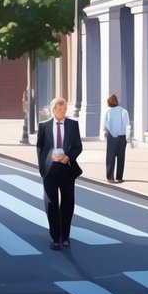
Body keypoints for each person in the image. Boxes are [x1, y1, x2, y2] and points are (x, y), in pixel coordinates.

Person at [36, 97, 82, 250]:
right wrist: (47, 160)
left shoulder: (73, 125)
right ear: (53, 110)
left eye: (64, 109)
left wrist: (68, 157)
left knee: (68, 204)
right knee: (51, 205)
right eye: (60, 109)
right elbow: (40, 148)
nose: (63, 112)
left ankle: (66, 237)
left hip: (67, 169)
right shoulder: (44, 126)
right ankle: (55, 238)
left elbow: (78, 146)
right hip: (50, 171)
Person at [102, 94, 131, 183]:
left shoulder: (108, 112)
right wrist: (128, 137)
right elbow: (127, 125)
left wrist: (105, 133)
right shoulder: (124, 111)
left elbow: (105, 125)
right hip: (122, 136)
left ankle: (110, 177)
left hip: (111, 136)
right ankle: (119, 177)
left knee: (110, 156)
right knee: (121, 157)